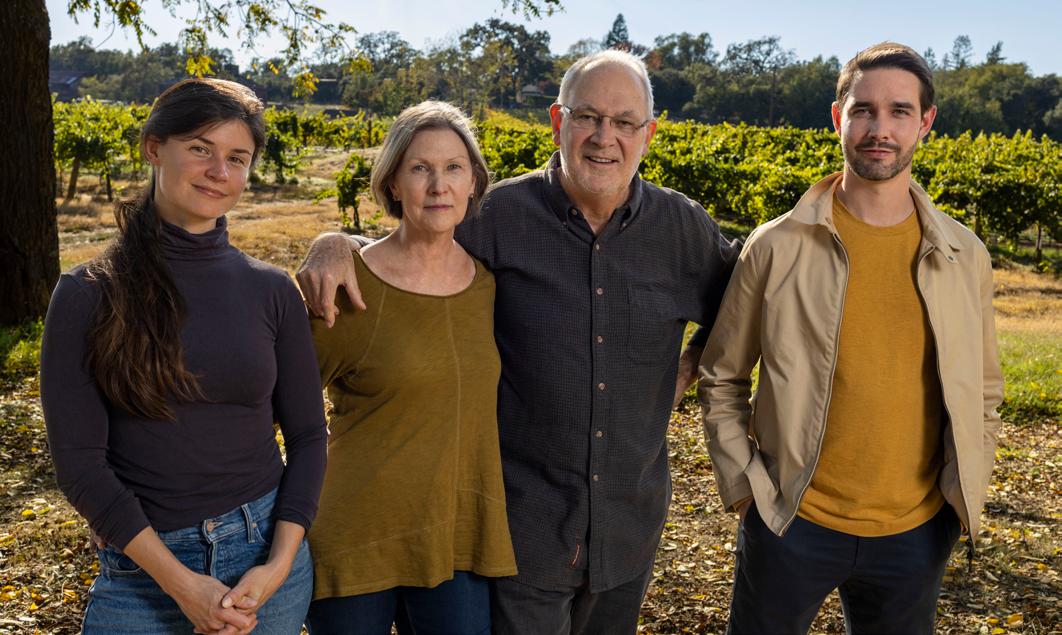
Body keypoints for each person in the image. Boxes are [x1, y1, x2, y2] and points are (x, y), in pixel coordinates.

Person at [297, 50, 739, 634]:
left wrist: (690, 365)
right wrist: (336, 242)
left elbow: (743, 301)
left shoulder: (682, 229)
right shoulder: (501, 215)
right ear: (557, 122)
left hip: (629, 530)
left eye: (624, 122)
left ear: (648, 135)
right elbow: (418, 241)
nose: (604, 137)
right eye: (588, 117)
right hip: (521, 532)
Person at [698, 42, 1004, 635]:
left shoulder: (965, 255)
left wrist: (963, 490)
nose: (879, 129)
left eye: (899, 111)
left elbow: (985, 388)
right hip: (790, 523)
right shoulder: (776, 246)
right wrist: (746, 490)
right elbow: (722, 377)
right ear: (838, 117)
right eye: (863, 110)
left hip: (917, 532)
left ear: (925, 122)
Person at [40, 78, 328, 635]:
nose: (219, 171)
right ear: (154, 147)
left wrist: (278, 564)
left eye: (237, 158)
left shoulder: (271, 290)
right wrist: (183, 586)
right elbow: (80, 465)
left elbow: (310, 436)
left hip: (266, 562)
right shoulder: (87, 293)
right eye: (201, 148)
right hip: (144, 575)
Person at [303, 101, 516, 635]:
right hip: (355, 535)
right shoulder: (350, 285)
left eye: (454, 168)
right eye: (421, 168)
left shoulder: (489, 287)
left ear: (473, 182)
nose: (439, 186)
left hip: (454, 538)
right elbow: (274, 404)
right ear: (393, 184)